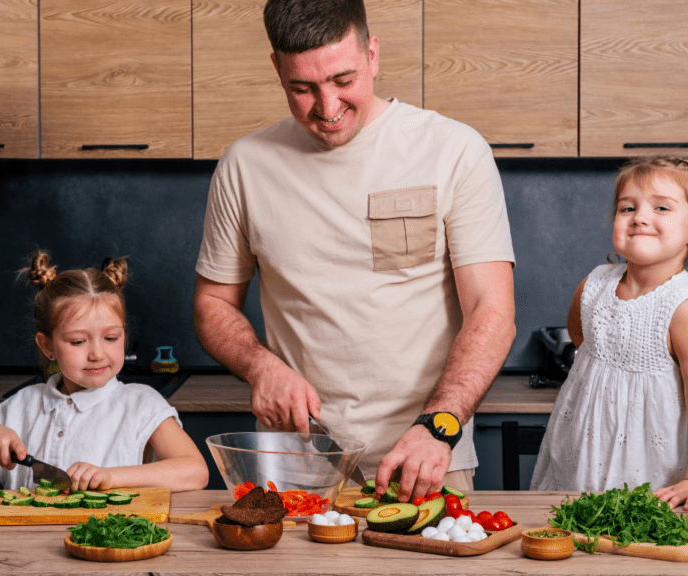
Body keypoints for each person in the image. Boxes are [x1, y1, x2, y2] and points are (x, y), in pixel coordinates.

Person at [193, 0, 516, 501]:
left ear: (373, 54)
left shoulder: (453, 150)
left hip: (425, 456)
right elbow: (213, 305)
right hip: (296, 460)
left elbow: (491, 312)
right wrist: (262, 367)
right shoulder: (244, 166)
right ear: (277, 68)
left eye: (343, 80)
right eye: (302, 88)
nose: (327, 107)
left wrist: (438, 427)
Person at [530, 156, 688, 510]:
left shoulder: (685, 308)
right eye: (627, 207)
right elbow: (582, 342)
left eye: (661, 207)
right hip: (579, 455)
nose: (640, 217)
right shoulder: (592, 285)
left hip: (647, 468)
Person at [0, 251, 208, 492]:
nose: (97, 354)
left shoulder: (141, 404)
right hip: (22, 541)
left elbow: (196, 472)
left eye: (111, 338)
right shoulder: (20, 407)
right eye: (78, 342)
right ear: (48, 346)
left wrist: (111, 477)